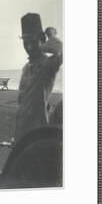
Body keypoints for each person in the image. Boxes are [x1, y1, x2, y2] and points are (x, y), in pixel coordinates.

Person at [14, 13, 63, 142]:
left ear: (42, 40)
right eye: (25, 42)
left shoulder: (49, 64)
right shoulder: (26, 68)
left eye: (32, 42)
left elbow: (60, 48)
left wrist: (50, 35)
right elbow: (22, 104)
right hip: (22, 133)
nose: (29, 46)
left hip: (38, 133)